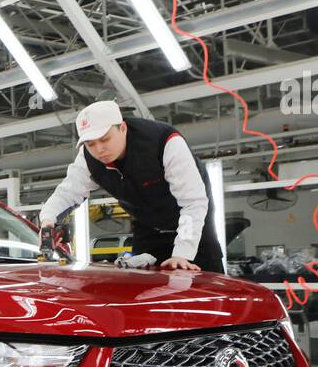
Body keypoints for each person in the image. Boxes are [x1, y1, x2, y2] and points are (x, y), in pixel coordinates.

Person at [39, 100, 225, 274]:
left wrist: (182, 254)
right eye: (90, 144)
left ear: (122, 127)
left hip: (194, 230)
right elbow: (67, 193)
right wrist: (48, 221)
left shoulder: (164, 142)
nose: (98, 149)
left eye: (104, 139)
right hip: (148, 229)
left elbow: (193, 202)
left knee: (202, 287)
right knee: (143, 290)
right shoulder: (88, 158)